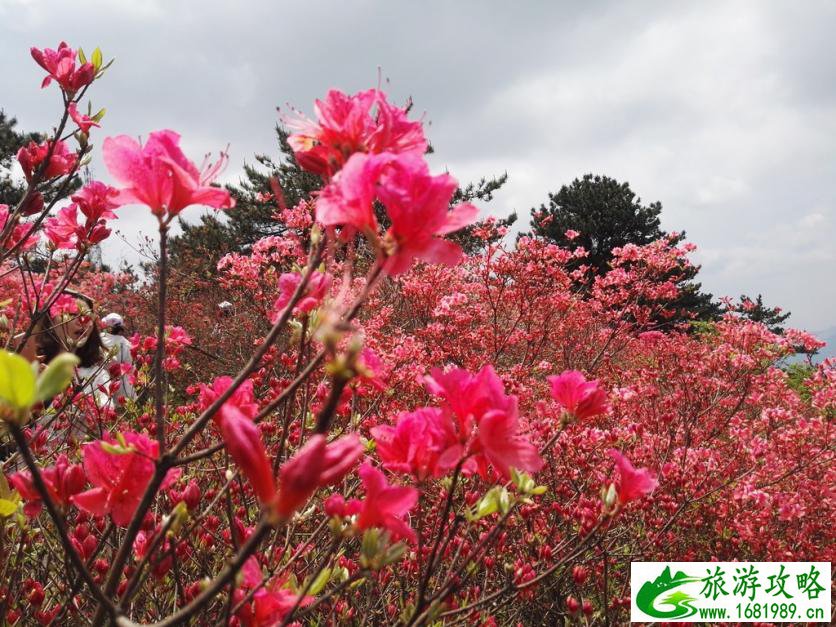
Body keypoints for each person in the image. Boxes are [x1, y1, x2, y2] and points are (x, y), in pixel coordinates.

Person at [100, 312, 136, 401]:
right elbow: (129, 367)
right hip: (122, 387)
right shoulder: (126, 344)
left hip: (101, 383)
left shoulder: (99, 339)